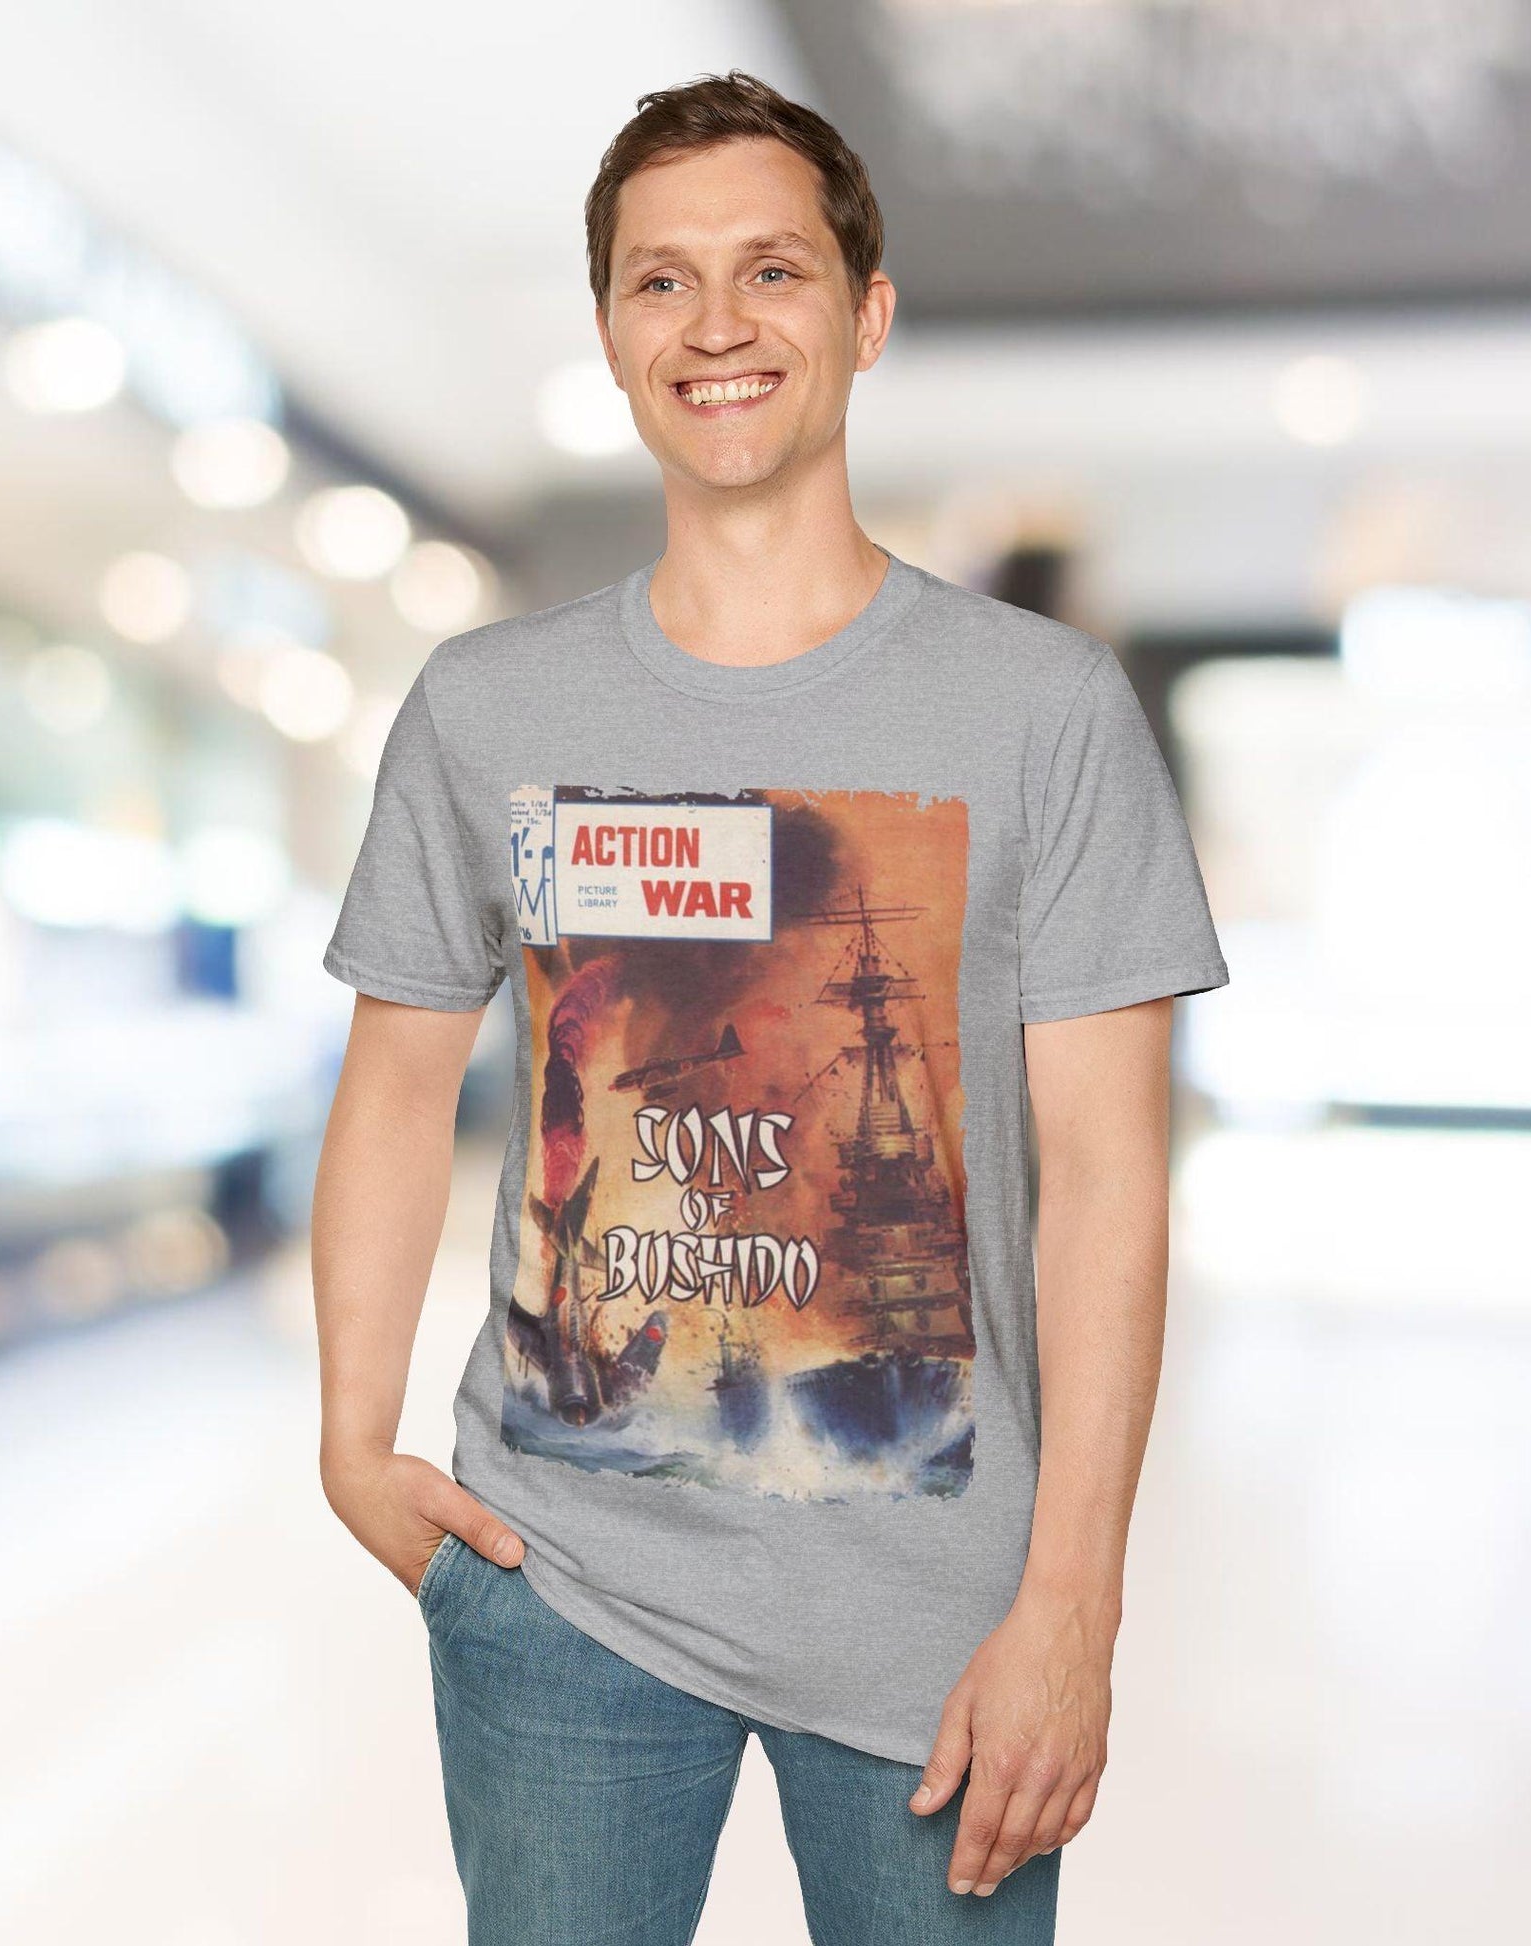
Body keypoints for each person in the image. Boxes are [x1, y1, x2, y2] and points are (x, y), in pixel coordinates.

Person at [313, 69, 1228, 1944]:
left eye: (771, 272)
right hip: (556, 1588)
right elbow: (400, 1083)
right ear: (609, 333)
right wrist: (350, 1432)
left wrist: (1073, 1603)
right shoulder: (487, 707)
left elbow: (1110, 1179)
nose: (715, 326)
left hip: (941, 1613)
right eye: (660, 282)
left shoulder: (1039, 711)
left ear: (864, 314)